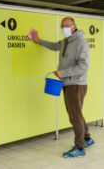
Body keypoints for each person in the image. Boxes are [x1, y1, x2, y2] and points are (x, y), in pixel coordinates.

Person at [28, 17, 95, 158]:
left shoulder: (80, 43)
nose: (63, 28)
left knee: (74, 116)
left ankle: (79, 147)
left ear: (74, 26)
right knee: (77, 113)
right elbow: (54, 46)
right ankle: (87, 138)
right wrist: (38, 40)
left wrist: (63, 73)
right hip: (67, 83)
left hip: (76, 85)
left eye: (66, 26)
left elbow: (84, 66)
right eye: (62, 26)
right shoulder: (66, 41)